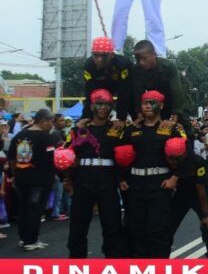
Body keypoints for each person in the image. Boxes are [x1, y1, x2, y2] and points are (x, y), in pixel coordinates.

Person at [118, 90, 186, 258]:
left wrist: (175, 178)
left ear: (161, 106)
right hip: (136, 186)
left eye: (151, 102)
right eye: (144, 103)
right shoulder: (131, 130)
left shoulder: (171, 129)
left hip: (160, 186)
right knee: (137, 229)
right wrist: (121, 178)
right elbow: (120, 155)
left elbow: (186, 156)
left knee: (159, 230)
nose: (147, 106)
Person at [63, 89, 126, 258]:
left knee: (112, 224)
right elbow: (67, 154)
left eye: (107, 104)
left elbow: (124, 156)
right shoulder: (79, 130)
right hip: (83, 180)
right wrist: (67, 179)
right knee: (78, 225)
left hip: (107, 180)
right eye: (99, 104)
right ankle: (76, 262)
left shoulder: (118, 129)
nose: (103, 107)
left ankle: (114, 261)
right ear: (91, 106)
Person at [6, 109, 56, 251]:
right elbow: (52, 158)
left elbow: (12, 158)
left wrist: (15, 175)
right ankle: (31, 241)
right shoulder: (47, 137)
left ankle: (24, 238)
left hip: (21, 178)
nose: (51, 125)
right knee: (35, 210)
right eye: (51, 122)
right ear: (43, 121)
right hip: (40, 180)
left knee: (24, 208)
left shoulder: (20, 135)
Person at [165, 136, 208, 259]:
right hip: (181, 194)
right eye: (170, 158)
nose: (173, 162)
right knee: (167, 228)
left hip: (201, 193)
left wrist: (206, 214)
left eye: (177, 159)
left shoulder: (197, 161)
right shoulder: (165, 160)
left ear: (184, 154)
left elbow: (200, 188)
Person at [131, 40, 190, 123]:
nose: (141, 62)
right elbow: (138, 93)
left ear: (154, 54)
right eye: (137, 59)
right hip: (159, 98)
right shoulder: (137, 70)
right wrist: (139, 114)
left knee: (182, 119)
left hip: (180, 94)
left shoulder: (168, 66)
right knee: (155, 121)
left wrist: (175, 116)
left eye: (144, 58)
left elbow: (177, 92)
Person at [80, 37, 134, 123]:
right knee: (97, 100)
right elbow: (89, 92)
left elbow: (124, 93)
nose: (99, 59)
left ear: (112, 55)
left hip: (122, 85)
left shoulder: (123, 65)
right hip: (101, 86)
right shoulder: (89, 66)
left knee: (131, 100)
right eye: (96, 55)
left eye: (104, 56)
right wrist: (86, 117)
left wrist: (121, 118)